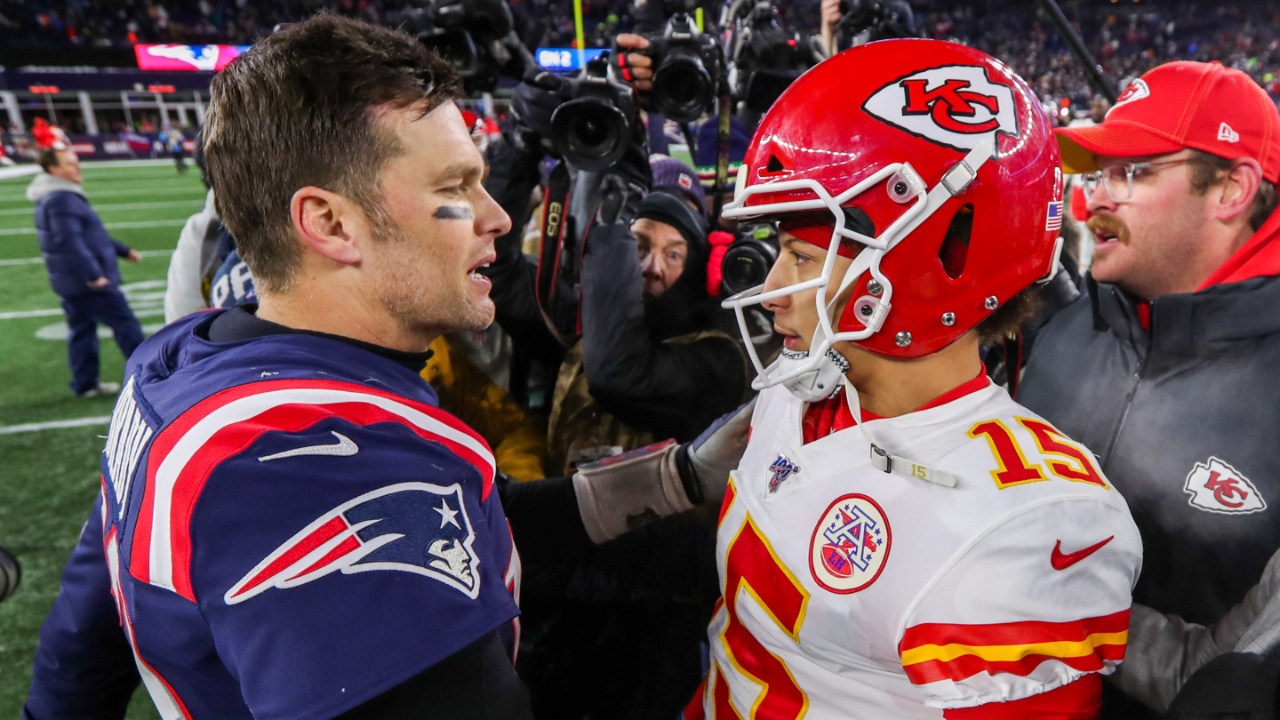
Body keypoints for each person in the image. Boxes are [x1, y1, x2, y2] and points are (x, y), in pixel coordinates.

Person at [24, 15, 749, 719]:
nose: (496, 216)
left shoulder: (183, 359)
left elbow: (79, 646)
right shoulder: (299, 459)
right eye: (454, 189)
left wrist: (674, 478)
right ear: (332, 223)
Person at [693, 39, 1142, 718]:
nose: (775, 289)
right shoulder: (801, 387)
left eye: (802, 255)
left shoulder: (1029, 519)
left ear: (927, 265)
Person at [1017, 60, 1280, 719]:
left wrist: (1043, 602)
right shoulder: (1069, 327)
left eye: (1132, 173)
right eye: (1098, 172)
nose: (1094, 199)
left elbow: (1243, 678)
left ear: (1230, 190)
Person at [27, 146, 145, 398]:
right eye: (70, 164)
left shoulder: (57, 196)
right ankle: (149, 377)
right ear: (54, 170)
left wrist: (123, 251)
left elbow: (92, 237)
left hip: (71, 281)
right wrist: (93, 275)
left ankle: (85, 383)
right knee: (126, 324)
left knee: (82, 331)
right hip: (86, 282)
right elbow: (69, 241)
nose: (77, 166)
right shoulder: (60, 198)